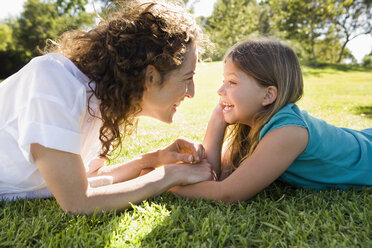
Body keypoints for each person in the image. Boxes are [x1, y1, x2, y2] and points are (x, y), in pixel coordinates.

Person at [0, 0, 214, 214]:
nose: (191, 92)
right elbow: (78, 201)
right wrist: (170, 175)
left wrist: (153, 160)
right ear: (150, 76)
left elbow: (88, 179)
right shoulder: (53, 82)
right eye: (188, 78)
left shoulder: (106, 103)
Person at [170, 38, 372, 202]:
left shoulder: (288, 132)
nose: (220, 91)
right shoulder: (253, 124)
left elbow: (227, 193)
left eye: (232, 82)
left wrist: (167, 185)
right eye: (223, 81)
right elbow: (213, 174)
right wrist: (217, 121)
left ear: (268, 96)